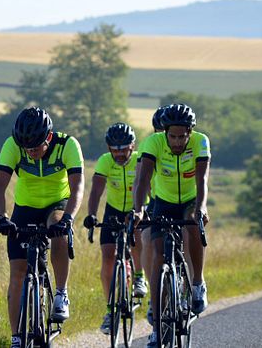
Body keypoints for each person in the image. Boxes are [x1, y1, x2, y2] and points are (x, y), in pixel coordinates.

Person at [0, 107, 84, 348]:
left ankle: (61, 293)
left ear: (49, 138)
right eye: (26, 148)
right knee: (18, 273)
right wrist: (1, 217)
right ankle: (16, 338)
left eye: (35, 147)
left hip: (57, 203)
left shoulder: (67, 145)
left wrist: (68, 219)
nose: (30, 152)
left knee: (58, 226)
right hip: (25, 207)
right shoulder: (13, 145)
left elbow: (78, 188)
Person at [131, 104, 211, 348]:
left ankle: (197, 283)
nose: (177, 142)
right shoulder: (153, 143)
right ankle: (156, 323)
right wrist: (139, 209)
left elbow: (202, 179)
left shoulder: (200, 142)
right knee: (157, 253)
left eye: (182, 136)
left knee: (194, 226)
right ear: (165, 133)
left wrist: (201, 207)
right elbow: (143, 179)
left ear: (190, 132)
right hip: (163, 203)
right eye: (172, 136)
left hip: (189, 200)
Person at [83, 122, 148, 335]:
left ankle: (139, 276)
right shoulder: (104, 161)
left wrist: (143, 209)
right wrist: (92, 214)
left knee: (137, 235)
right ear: (109, 148)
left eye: (123, 148)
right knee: (108, 256)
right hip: (113, 211)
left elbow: (148, 185)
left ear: (132, 145)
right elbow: (96, 191)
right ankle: (111, 310)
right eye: (114, 149)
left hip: (138, 208)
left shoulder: (140, 159)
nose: (119, 153)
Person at [135, 105, 168, 326]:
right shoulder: (150, 147)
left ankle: (188, 288)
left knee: (186, 233)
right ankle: (153, 292)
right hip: (155, 201)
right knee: (147, 239)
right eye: (158, 129)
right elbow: (141, 179)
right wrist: (143, 208)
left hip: (180, 199)